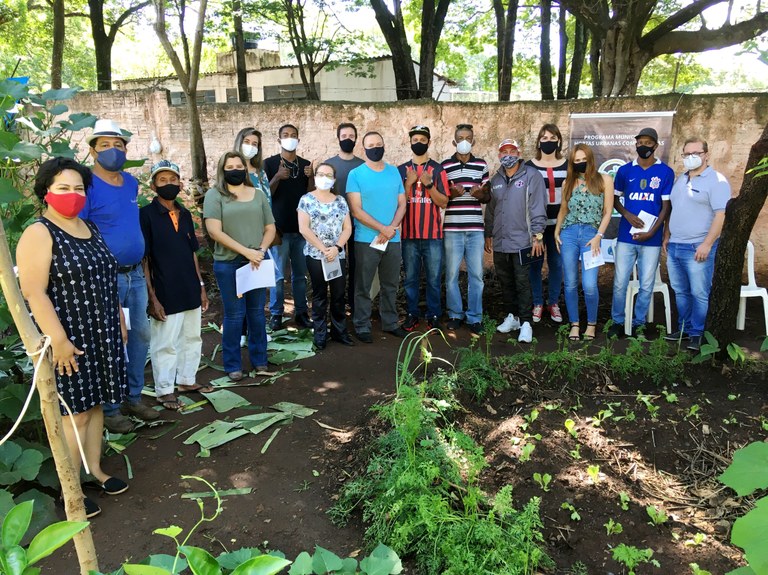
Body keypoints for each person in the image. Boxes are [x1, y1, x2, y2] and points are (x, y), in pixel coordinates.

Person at [18, 158, 129, 518]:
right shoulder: (39, 232)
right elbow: (34, 292)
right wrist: (59, 340)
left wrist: (118, 321)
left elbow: (104, 281)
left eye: (79, 188)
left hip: (102, 332)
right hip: (69, 337)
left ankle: (95, 470)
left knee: (95, 406)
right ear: (46, 192)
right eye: (63, 188)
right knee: (74, 414)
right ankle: (70, 489)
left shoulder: (90, 227)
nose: (72, 194)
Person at [80, 119, 158, 433]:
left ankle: (133, 397)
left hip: (135, 275)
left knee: (140, 337)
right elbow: (81, 233)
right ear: (92, 151)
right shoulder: (85, 186)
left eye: (118, 144)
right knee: (113, 341)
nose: (113, 150)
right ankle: (111, 410)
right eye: (104, 145)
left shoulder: (129, 182)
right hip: (105, 278)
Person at [140, 160, 212, 411]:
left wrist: (201, 285)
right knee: (165, 342)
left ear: (180, 184)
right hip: (164, 289)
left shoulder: (185, 214)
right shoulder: (146, 216)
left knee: (192, 336)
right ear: (153, 185)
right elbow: (145, 259)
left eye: (173, 180)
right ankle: (164, 390)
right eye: (162, 180)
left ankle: (186, 381)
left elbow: (192, 253)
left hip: (189, 286)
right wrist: (152, 297)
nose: (168, 184)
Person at [204, 151, 277, 381]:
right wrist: (247, 252)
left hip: (257, 261)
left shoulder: (257, 195)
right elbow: (214, 231)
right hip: (229, 263)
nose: (235, 170)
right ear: (222, 170)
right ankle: (233, 365)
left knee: (257, 313)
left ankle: (260, 362)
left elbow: (270, 227)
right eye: (230, 167)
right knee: (235, 315)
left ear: (245, 170)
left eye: (239, 166)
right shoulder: (215, 195)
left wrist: (261, 251)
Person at [663, 137, 730, 351]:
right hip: (675, 246)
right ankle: (684, 328)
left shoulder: (717, 181)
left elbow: (721, 215)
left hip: (697, 247)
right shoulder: (680, 180)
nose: (691, 157)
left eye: (696, 153)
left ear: (706, 155)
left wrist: (707, 244)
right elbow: (673, 210)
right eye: (687, 154)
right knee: (680, 291)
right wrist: (667, 236)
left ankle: (697, 334)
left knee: (699, 292)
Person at [607, 127, 673, 338]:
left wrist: (654, 231)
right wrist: (626, 214)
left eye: (647, 142)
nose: (643, 146)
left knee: (646, 284)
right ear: (635, 144)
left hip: (651, 239)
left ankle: (638, 323)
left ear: (655, 145)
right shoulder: (625, 171)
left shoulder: (665, 172)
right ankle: (617, 321)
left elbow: (666, 207)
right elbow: (614, 199)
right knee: (619, 282)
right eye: (639, 142)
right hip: (627, 236)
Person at [346, 131, 407, 343]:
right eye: (370, 145)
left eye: (379, 144)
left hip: (393, 238)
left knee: (391, 284)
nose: (375, 148)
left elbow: (402, 203)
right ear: (364, 149)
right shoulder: (355, 174)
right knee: (363, 284)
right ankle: (361, 325)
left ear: (384, 145)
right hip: (366, 239)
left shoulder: (394, 172)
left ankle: (390, 323)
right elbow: (356, 210)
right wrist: (383, 228)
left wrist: (391, 228)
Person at [484, 139, 547, 344]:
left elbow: (538, 207)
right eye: (504, 152)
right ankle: (512, 317)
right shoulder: (496, 179)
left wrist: (537, 235)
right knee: (505, 281)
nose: (508, 155)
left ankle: (526, 323)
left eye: (512, 151)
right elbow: (492, 210)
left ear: (519, 153)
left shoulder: (532, 176)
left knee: (523, 282)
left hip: (523, 241)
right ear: (499, 155)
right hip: (501, 242)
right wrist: (488, 233)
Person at [555, 144, 614, 341]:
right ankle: (574, 324)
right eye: (576, 161)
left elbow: (607, 212)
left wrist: (598, 236)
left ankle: (591, 324)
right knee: (570, 283)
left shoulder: (604, 180)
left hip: (591, 235)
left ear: (590, 158)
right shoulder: (568, 183)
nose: (580, 163)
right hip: (569, 234)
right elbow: (563, 209)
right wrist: (556, 232)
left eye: (583, 159)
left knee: (589, 284)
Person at [397, 125, 449, 332]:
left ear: (429, 142)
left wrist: (429, 185)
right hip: (408, 235)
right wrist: (409, 184)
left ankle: (434, 315)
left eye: (422, 140)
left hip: (433, 235)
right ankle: (412, 314)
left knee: (434, 279)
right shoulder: (401, 170)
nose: (418, 143)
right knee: (410, 279)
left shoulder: (438, 169)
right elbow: (398, 203)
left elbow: (444, 202)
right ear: (410, 142)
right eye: (415, 139)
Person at [234, 127, 283, 345]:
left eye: (255, 143)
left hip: (263, 236)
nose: (251, 146)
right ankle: (242, 332)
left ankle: (256, 330)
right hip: (243, 237)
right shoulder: (234, 170)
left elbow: (267, 199)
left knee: (257, 285)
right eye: (247, 141)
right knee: (242, 287)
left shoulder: (260, 171)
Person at [298, 163, 354, 349]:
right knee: (320, 294)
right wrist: (323, 249)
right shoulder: (306, 200)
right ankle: (320, 333)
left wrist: (336, 248)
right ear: (315, 177)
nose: (324, 177)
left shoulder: (340, 201)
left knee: (338, 294)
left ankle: (339, 331)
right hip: (316, 255)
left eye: (328, 175)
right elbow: (304, 228)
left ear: (334, 179)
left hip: (337, 254)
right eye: (320, 174)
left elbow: (347, 228)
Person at [441, 123, 489, 337]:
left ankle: (475, 316)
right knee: (451, 274)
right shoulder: (444, 166)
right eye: (460, 137)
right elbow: (442, 197)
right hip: (452, 228)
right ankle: (454, 314)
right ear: (454, 141)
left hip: (475, 229)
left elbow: (487, 196)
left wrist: (480, 195)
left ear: (474, 141)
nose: (464, 141)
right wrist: (451, 193)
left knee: (476, 275)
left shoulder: (481, 165)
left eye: (468, 138)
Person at [264, 124, 313, 331]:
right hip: (279, 230)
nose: (289, 138)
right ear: (279, 140)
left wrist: (311, 177)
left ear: (298, 140)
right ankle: (276, 313)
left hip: (302, 230)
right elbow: (265, 194)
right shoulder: (270, 163)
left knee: (300, 275)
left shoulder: (306, 165)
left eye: (293, 135)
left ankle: (301, 312)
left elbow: (311, 197)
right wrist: (276, 177)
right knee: (277, 275)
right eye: (285, 135)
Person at [526, 124, 567, 324]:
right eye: (544, 137)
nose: (548, 141)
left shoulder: (569, 165)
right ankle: (537, 302)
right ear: (538, 141)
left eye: (552, 137)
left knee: (557, 264)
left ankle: (553, 302)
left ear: (559, 141)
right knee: (534, 265)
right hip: (537, 227)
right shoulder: (529, 166)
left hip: (560, 225)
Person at [324, 122, 365, 310]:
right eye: (344, 136)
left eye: (351, 136)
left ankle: (355, 303)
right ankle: (337, 304)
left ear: (356, 139)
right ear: (338, 138)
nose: (347, 139)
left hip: (359, 222)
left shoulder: (363, 165)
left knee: (357, 264)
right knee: (336, 262)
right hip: (335, 225)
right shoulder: (329, 165)